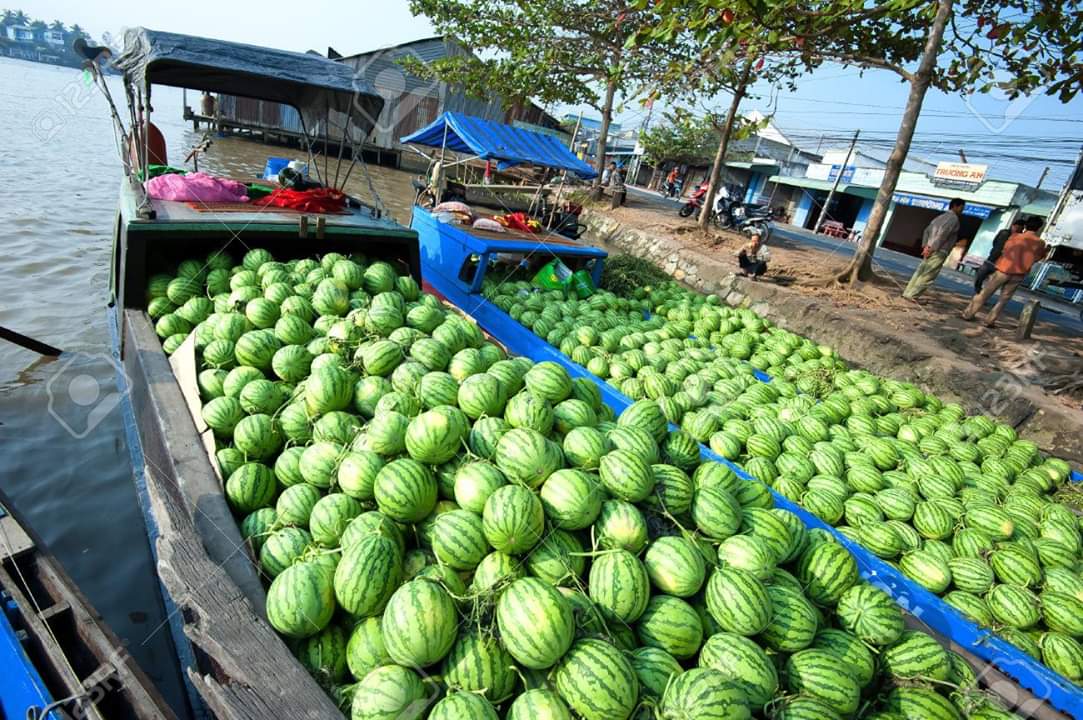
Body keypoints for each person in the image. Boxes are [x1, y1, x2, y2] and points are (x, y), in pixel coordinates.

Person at [962, 216, 1046, 327]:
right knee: (1003, 300)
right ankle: (990, 321)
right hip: (1019, 274)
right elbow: (1036, 258)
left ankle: (969, 314)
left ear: (1025, 226)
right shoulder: (1040, 243)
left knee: (985, 293)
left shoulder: (1015, 236)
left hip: (1003, 269)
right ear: (1039, 228)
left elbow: (1005, 249)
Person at [902, 198, 966, 300]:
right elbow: (942, 235)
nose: (962, 210)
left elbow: (926, 231)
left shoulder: (939, 217)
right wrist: (931, 249)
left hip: (930, 248)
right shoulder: (953, 219)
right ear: (955, 206)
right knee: (929, 275)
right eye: (961, 207)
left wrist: (925, 246)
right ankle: (912, 295)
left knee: (920, 272)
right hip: (939, 250)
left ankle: (907, 293)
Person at [975, 218, 1025, 292]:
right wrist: (996, 249)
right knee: (981, 274)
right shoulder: (1003, 232)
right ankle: (978, 288)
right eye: (1016, 227)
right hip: (993, 256)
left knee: (993, 279)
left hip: (1003, 261)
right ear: (1013, 225)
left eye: (1019, 229)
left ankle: (984, 292)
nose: (1017, 230)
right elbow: (994, 242)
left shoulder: (1019, 238)